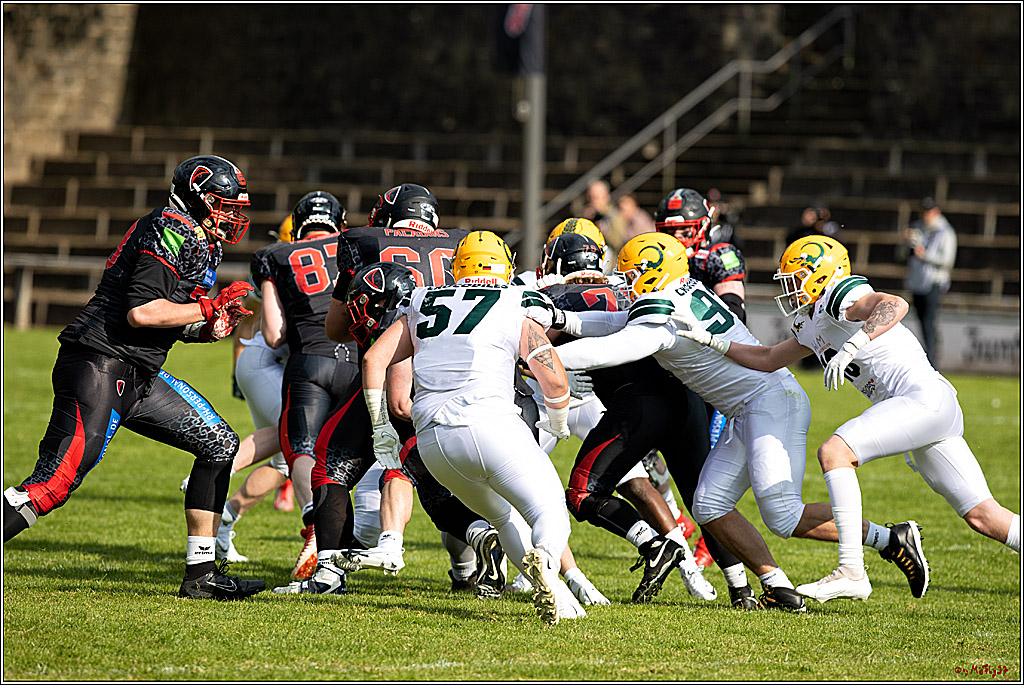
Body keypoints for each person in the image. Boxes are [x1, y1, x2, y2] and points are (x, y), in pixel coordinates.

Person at [551, 248, 928, 611]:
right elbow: (615, 323)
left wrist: (544, 357)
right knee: (708, 505)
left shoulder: (662, 318)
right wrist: (562, 319)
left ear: (655, 271)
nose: (626, 283)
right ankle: (777, 584)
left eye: (633, 274)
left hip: (769, 402)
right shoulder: (682, 291)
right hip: (748, 406)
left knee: (782, 515)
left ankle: (889, 538)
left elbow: (610, 349)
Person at [679, 234, 1019, 603]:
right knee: (984, 517)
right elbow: (768, 359)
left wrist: (855, 344)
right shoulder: (811, 321)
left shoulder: (838, 295)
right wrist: (713, 341)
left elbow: (895, 303)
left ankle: (852, 571)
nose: (790, 290)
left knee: (835, 452)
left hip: (921, 399)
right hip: (927, 411)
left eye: (796, 280)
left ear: (823, 275)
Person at [3, 155, 266, 600]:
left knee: (219, 443)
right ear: (198, 197)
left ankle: (201, 577)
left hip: (137, 371)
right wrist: (208, 307)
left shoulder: (198, 238)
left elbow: (170, 317)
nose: (231, 215)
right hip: (100, 363)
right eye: (223, 204)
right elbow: (142, 310)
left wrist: (207, 327)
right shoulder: (173, 228)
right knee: (54, 482)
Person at [361, 230, 587, 624]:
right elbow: (554, 379)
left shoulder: (422, 299)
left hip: (434, 442)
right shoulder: (515, 299)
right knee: (549, 511)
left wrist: (381, 427)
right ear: (505, 266)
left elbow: (374, 360)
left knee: (503, 518)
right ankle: (547, 559)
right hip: (490, 424)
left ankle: (561, 603)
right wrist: (558, 421)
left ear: (456, 267)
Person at [654, 187, 749, 563]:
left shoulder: (718, 255)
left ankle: (713, 543)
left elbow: (734, 308)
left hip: (715, 368)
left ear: (702, 225)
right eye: (669, 230)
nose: (675, 239)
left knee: (707, 460)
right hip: (673, 367)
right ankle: (677, 516)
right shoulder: (655, 254)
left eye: (683, 230)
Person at [899, 197, 957, 369]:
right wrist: (906, 243)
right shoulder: (916, 229)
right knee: (922, 322)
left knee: (929, 322)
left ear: (936, 212)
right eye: (923, 212)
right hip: (917, 282)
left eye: (929, 212)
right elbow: (902, 255)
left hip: (934, 283)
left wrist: (924, 255)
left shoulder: (945, 232)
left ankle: (932, 361)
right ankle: (929, 357)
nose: (926, 215)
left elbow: (947, 261)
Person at [581, 179, 627, 254]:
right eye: (591, 197)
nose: (593, 201)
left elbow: (618, 242)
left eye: (597, 197)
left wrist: (605, 230)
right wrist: (585, 221)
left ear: (607, 197)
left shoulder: (614, 216)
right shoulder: (586, 215)